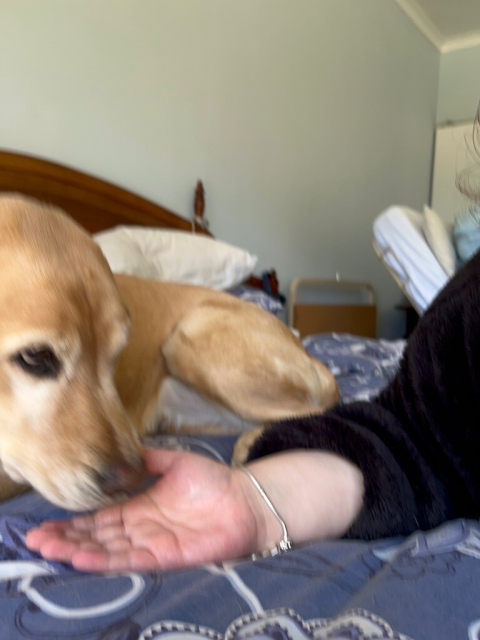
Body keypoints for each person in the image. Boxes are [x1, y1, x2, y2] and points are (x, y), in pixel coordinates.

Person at [26, 242, 480, 573]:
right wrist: (258, 502)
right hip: (180, 397)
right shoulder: (465, 314)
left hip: (225, 339)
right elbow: (420, 442)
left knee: (189, 344)